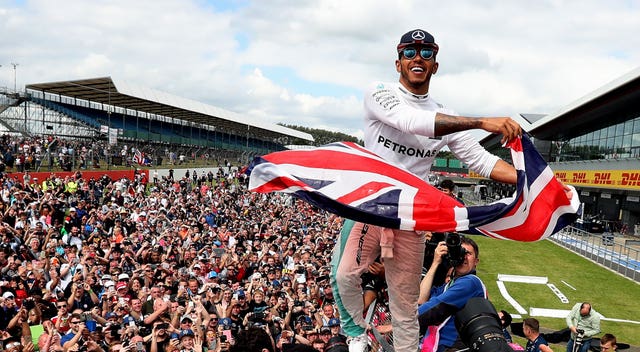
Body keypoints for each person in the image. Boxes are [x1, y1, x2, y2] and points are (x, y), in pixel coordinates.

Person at [332, 28, 525, 352]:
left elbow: (481, 160)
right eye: (409, 52)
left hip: (409, 215)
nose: (417, 58)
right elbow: (409, 120)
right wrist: (481, 121)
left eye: (426, 53)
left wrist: (531, 180)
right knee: (345, 275)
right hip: (373, 205)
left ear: (435, 65)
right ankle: (356, 334)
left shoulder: (443, 112)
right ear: (398, 63)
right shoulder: (380, 93)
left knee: (405, 301)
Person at [417, 235, 485, 351]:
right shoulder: (449, 285)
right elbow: (421, 299)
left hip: (452, 348)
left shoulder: (471, 282)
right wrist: (435, 263)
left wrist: (402, 322)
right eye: (460, 252)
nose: (463, 257)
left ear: (476, 261)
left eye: (468, 253)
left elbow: (435, 307)